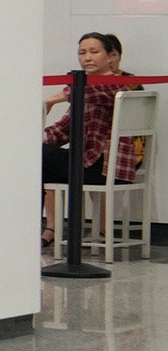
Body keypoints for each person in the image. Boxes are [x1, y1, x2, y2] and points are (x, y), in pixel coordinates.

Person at [42, 32, 139, 247]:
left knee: (40, 157)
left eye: (94, 52)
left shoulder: (117, 84)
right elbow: (62, 130)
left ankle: (41, 231)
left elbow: (91, 90)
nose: (87, 57)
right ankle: (44, 228)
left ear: (110, 57)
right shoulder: (83, 89)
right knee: (36, 155)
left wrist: (52, 100)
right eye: (82, 53)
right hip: (86, 163)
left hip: (104, 167)